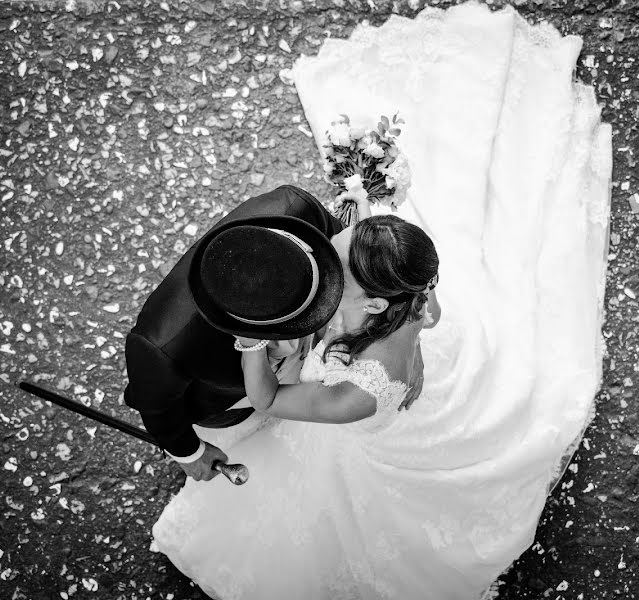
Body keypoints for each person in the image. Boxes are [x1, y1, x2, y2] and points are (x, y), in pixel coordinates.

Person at [153, 3, 611, 598]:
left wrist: (252, 343)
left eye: (338, 268)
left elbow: (265, 399)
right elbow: (375, 245)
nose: (325, 263)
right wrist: (359, 198)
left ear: (370, 305)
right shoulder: (418, 300)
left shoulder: (353, 395)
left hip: (361, 430)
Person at [123, 184, 348, 482]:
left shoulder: (294, 207)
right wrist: (189, 452)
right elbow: (156, 407)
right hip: (228, 401)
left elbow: (349, 249)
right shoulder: (161, 348)